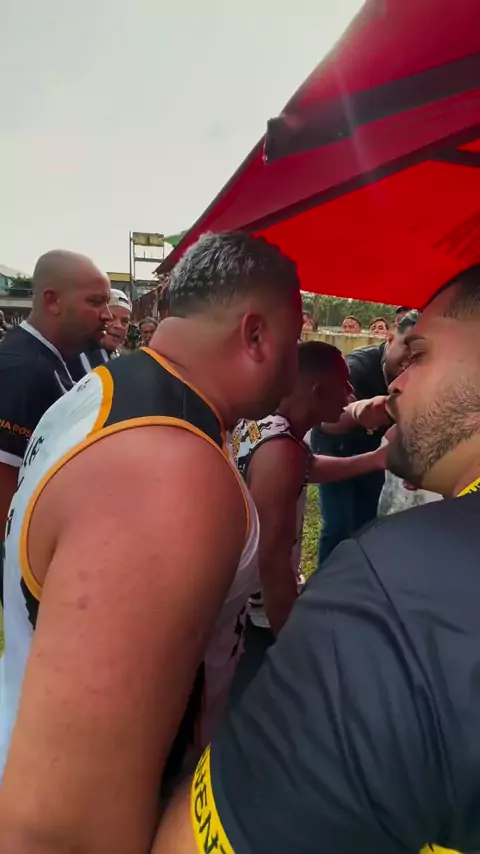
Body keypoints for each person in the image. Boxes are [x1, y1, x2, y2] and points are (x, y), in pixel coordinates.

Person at [152, 266, 480, 854]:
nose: (395, 384)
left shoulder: (392, 588)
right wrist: (290, 634)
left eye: (421, 355)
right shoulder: (282, 449)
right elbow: (276, 559)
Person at [0, 232, 302, 853]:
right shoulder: (167, 470)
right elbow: (68, 826)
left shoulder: (116, 388)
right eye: (294, 341)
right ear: (255, 335)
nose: (297, 363)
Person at [230, 341, 386, 698]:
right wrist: (292, 646)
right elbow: (273, 564)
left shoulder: (266, 423)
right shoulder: (280, 452)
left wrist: (376, 459)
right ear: (317, 389)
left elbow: (307, 466)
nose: (350, 394)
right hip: (253, 617)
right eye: (344, 384)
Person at [0, 250, 111, 534]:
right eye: (95, 302)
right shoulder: (22, 370)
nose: (107, 315)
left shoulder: (52, 359)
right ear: (52, 301)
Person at [312, 311, 419, 564]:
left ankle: (357, 574)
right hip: (334, 449)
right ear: (390, 338)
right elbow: (328, 421)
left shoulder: (417, 375)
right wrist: (357, 411)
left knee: (367, 521)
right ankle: (326, 579)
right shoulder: (356, 368)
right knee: (338, 524)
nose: (411, 360)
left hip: (373, 452)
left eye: (421, 353)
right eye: (408, 347)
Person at [67, 289, 133, 381]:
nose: (118, 326)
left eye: (125, 321)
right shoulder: (74, 357)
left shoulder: (122, 360)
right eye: (111, 318)